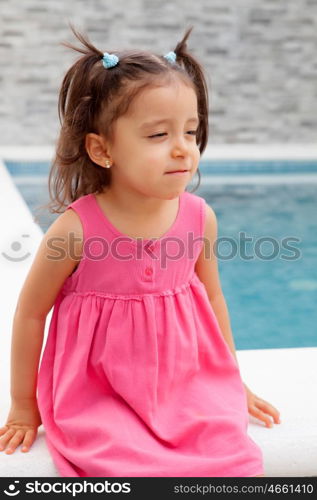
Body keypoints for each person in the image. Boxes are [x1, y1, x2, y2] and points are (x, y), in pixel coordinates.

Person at [0, 23, 280, 477]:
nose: (182, 150)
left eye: (190, 132)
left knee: (226, 456)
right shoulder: (76, 229)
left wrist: (232, 382)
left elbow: (212, 299)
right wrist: (22, 405)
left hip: (182, 385)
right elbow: (30, 314)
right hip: (98, 392)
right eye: (157, 136)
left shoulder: (198, 218)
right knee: (119, 459)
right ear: (101, 149)